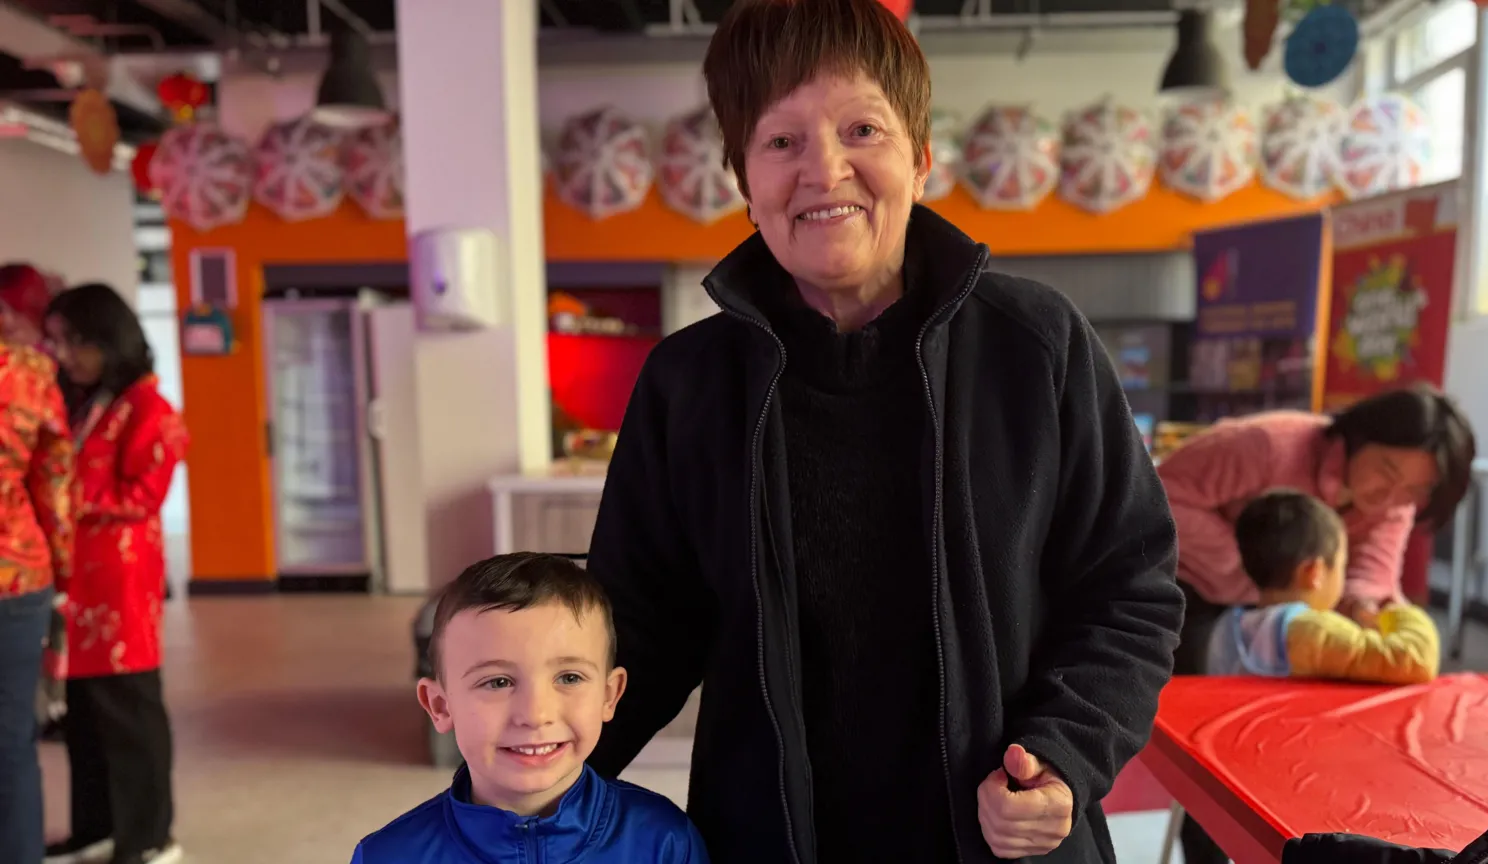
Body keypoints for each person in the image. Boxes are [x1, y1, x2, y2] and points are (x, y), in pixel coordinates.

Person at [582, 1, 1184, 862]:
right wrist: (532, 789)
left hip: (998, 839)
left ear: (921, 157)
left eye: (861, 128)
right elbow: (633, 627)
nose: (825, 170)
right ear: (743, 184)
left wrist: (1064, 756)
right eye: (781, 141)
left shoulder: (1036, 345)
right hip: (771, 837)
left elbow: (1129, 588)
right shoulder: (690, 383)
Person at [1157, 386, 1473, 864]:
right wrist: (1259, 577)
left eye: (1412, 492)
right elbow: (1162, 497)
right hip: (1198, 598)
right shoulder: (1267, 446)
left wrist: (1366, 612)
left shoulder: (1392, 503)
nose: (1389, 498)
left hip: (1287, 609)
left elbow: (1371, 576)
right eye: (1385, 472)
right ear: (1354, 438)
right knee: (1210, 746)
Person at [353, 553, 709, 863]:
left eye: (569, 678)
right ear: (441, 706)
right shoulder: (386, 856)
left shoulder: (665, 842)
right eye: (498, 682)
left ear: (609, 695)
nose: (536, 715)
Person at [42, 284, 187, 864]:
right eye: (59, 342)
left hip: (121, 585)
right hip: (80, 583)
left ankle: (151, 837)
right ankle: (96, 828)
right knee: (83, 716)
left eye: (77, 341)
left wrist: (63, 493)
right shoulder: (92, 402)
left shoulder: (150, 408)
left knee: (129, 713)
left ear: (110, 338)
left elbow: (145, 494)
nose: (66, 355)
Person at [1206, 489, 1439, 684]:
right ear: (1314, 573)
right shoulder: (1311, 631)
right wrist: (1396, 612)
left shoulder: (1227, 627)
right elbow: (1412, 661)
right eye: (1341, 565)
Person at [0, 264, 75, 864]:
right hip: (17, 572)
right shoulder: (28, 375)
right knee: (10, 740)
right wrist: (64, 570)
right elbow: (54, 483)